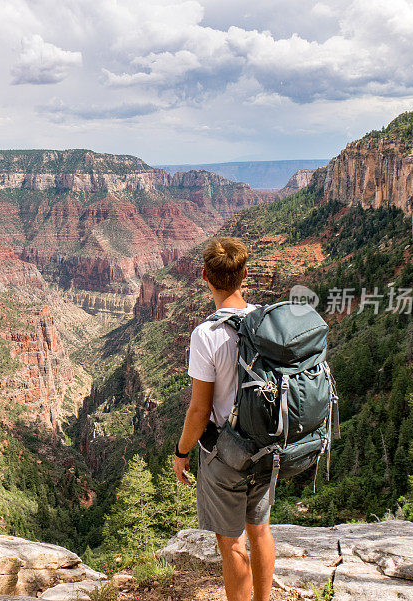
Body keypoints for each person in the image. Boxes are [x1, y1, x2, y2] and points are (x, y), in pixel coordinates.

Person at [173, 236, 275, 601]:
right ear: (245, 275)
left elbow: (199, 410)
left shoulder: (206, 334)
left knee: (232, 543)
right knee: (260, 530)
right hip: (267, 444)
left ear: (205, 277)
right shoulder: (266, 320)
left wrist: (182, 452)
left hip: (226, 453)